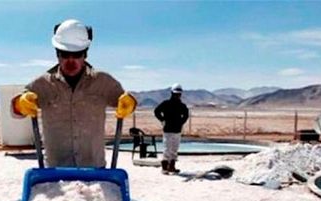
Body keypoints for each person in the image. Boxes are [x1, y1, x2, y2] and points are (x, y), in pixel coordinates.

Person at [11, 19, 136, 168]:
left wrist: (131, 103)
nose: (71, 61)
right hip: (55, 174)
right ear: (57, 54)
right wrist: (19, 104)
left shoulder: (104, 82)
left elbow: (126, 101)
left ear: (85, 54)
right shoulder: (42, 84)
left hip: (95, 171)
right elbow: (15, 112)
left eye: (76, 55)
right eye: (65, 54)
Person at [154, 83, 189, 174]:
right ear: (172, 93)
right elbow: (157, 111)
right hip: (168, 130)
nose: (177, 95)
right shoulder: (166, 104)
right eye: (176, 94)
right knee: (167, 149)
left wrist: (181, 122)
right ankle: (164, 167)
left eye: (179, 94)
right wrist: (162, 120)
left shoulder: (182, 105)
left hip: (177, 130)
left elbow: (186, 115)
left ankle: (172, 167)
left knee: (174, 149)